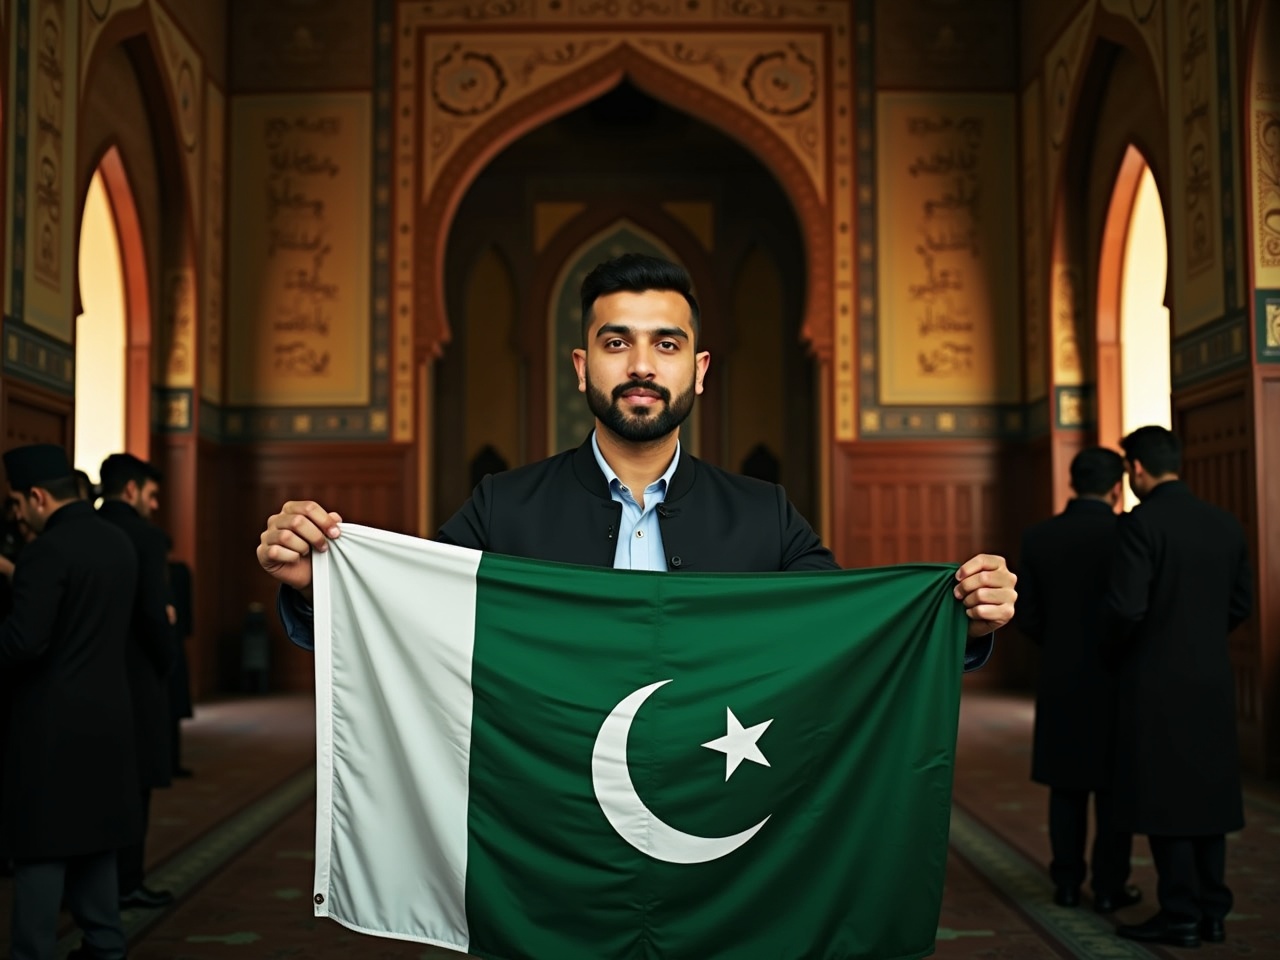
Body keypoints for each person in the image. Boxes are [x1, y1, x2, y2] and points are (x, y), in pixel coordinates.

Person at [257, 253, 1016, 661]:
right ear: (583, 367)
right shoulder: (504, 506)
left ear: (701, 369)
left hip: (717, 800)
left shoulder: (764, 515)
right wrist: (313, 583)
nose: (642, 365)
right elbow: (411, 619)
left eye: (667, 344)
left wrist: (962, 623)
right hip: (551, 812)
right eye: (617, 343)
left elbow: (847, 640)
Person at [1107, 426, 1252, 948]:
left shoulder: (1140, 525)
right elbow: (1241, 604)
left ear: (1137, 468)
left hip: (1155, 680)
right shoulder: (1225, 525)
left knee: (1166, 800)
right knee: (1208, 797)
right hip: (1213, 679)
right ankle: (1214, 911)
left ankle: (1180, 913)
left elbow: (1125, 608)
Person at [0, 443, 141, 960]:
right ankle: (106, 948)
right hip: (108, 722)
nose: (16, 516)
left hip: (50, 733)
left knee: (41, 857)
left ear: (36, 497)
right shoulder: (117, 543)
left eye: (16, 504)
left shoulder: (46, 551)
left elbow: (24, 642)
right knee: (96, 848)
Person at [1015, 447, 1137, 912]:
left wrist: (1060, 644)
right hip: (1118, 676)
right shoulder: (1127, 532)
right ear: (1115, 487)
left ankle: (1066, 882)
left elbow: (1026, 616)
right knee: (1112, 789)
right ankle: (1109, 888)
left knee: (1065, 788)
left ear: (1072, 482)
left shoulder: (1040, 536)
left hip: (1061, 676)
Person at [98, 453, 175, 911]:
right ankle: (127, 882)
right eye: (150, 493)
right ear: (130, 490)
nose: (155, 502)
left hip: (82, 680)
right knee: (134, 788)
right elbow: (153, 613)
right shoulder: (145, 538)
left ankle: (84, 886)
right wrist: (167, 664)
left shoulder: (75, 534)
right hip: (135, 677)